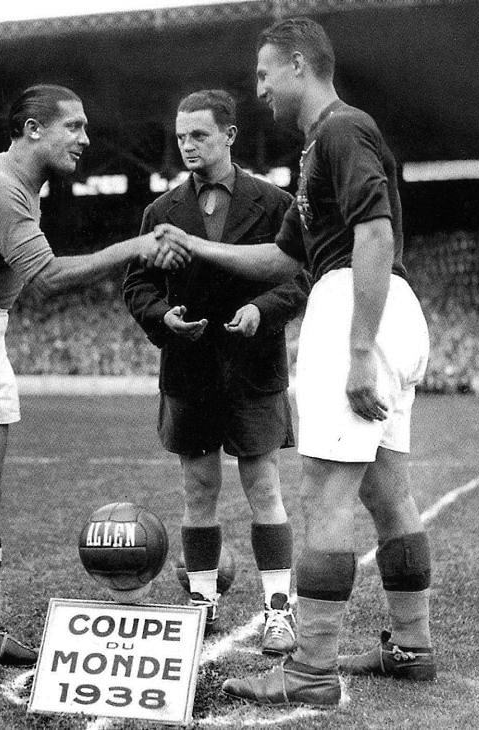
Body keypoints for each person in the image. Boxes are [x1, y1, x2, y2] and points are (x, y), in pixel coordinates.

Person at [158, 18, 434, 708]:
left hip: (357, 305)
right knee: (386, 491)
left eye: (264, 74)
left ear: (300, 67)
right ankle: (411, 646)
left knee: (322, 495)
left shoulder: (342, 130)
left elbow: (375, 231)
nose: (258, 90)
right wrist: (197, 246)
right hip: (382, 302)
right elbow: (282, 259)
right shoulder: (317, 151)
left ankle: (309, 671)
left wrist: (359, 349)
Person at [0, 84, 188, 683]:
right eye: (72, 127)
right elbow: (46, 278)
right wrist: (136, 248)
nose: (84, 139)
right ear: (31, 129)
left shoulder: (25, 186)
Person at [122, 89, 309, 655]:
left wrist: (262, 311)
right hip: (190, 370)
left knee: (263, 486)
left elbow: (298, 280)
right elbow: (137, 286)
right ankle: (200, 603)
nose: (188, 146)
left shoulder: (274, 202)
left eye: (199, 135)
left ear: (229, 135)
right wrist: (163, 317)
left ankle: (280, 609)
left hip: (254, 369)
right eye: (181, 137)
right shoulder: (160, 213)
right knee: (198, 488)